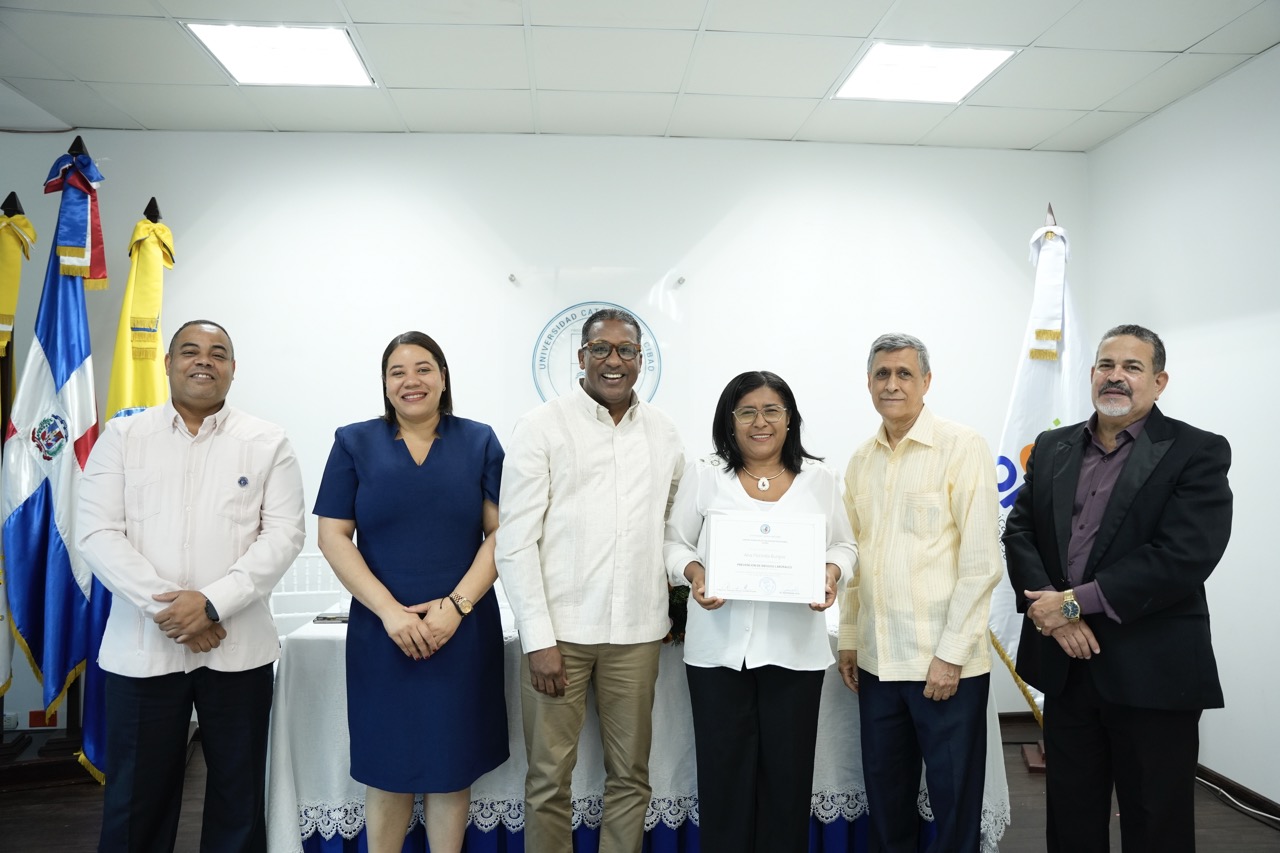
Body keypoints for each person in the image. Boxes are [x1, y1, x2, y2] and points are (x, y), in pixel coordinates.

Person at [78, 319, 306, 852]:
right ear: (168, 364)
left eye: (218, 353)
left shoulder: (267, 441)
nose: (204, 360)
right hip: (143, 651)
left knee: (238, 802)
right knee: (136, 805)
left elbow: (284, 535)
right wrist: (174, 612)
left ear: (233, 369)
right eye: (190, 351)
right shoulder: (123, 438)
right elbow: (96, 532)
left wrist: (211, 604)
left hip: (238, 649)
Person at [1004, 324, 1232, 853]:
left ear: (1159, 381)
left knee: (1156, 823)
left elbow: (1183, 555)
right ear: (1091, 375)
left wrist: (1071, 606)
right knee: (1071, 818)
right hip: (1066, 669)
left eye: (1132, 367)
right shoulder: (1052, 446)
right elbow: (1019, 532)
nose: (1116, 377)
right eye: (1107, 365)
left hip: (1152, 671)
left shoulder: (1196, 450)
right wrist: (1053, 615)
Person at [496, 307, 685, 853]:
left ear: (641, 360)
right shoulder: (541, 426)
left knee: (631, 778)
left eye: (626, 350)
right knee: (548, 781)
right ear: (581, 357)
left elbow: (671, 526)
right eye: (600, 348)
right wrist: (538, 639)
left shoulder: (665, 432)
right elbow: (515, 542)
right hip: (560, 636)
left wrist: (678, 596)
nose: (613, 360)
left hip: (637, 634)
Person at [314, 331, 507, 853]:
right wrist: (389, 612)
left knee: (452, 767)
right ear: (384, 384)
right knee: (387, 767)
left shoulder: (480, 441)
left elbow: (500, 534)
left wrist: (456, 607)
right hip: (383, 632)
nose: (411, 381)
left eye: (423, 369)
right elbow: (333, 535)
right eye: (397, 372)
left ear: (443, 378)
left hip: (461, 630)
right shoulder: (354, 442)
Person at [663, 370, 856, 852]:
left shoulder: (820, 479)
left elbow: (845, 545)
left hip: (794, 654)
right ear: (729, 421)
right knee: (722, 782)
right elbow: (673, 544)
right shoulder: (706, 475)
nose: (760, 422)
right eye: (747, 411)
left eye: (772, 410)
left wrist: (831, 572)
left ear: (790, 420)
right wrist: (695, 573)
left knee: (787, 785)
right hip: (717, 655)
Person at [835, 332, 1002, 853]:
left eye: (904, 373)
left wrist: (950, 656)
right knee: (887, 803)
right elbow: (857, 559)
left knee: (954, 806)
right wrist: (849, 638)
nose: (892, 384)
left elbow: (981, 564)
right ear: (868, 383)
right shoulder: (861, 460)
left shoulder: (962, 447)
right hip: (878, 664)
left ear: (926, 382)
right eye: (882, 374)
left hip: (944, 665)